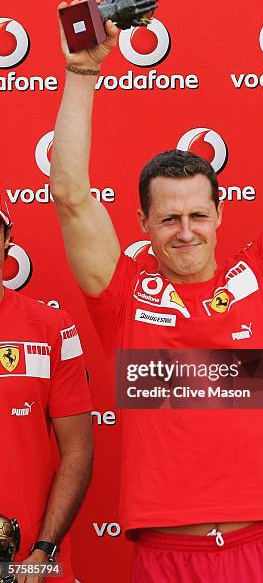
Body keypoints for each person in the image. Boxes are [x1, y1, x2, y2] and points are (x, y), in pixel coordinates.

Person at [51, 0, 263, 582]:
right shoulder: (123, 295)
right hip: (169, 556)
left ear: (218, 215)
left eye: (197, 215)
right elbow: (71, 196)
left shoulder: (260, 277)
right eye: (168, 217)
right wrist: (81, 72)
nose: (185, 231)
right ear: (143, 223)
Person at [0, 195, 93, 583]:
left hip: (31, 566)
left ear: (7, 238)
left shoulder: (52, 328)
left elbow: (78, 450)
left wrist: (44, 551)